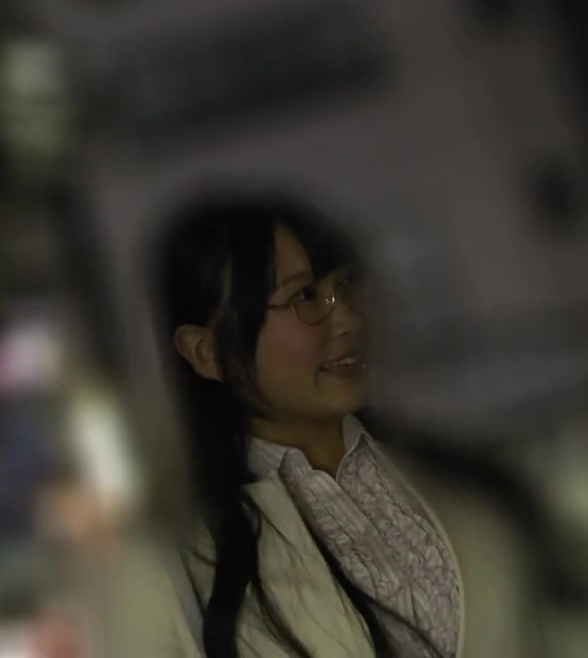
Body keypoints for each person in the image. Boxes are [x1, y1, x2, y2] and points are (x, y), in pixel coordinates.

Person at [147, 197, 466, 658]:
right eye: (304, 297)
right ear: (208, 351)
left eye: (346, 283)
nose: (349, 319)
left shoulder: (440, 465)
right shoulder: (190, 567)